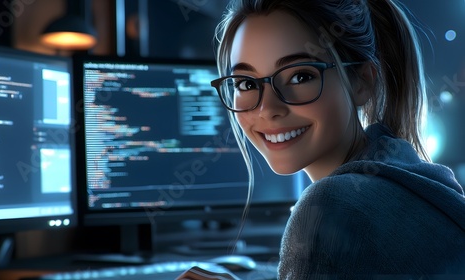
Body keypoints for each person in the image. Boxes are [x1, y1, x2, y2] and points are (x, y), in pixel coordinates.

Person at [178, 0, 465, 279]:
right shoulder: (409, 174)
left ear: (361, 82)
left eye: (300, 76)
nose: (268, 109)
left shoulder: (332, 206)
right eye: (247, 83)